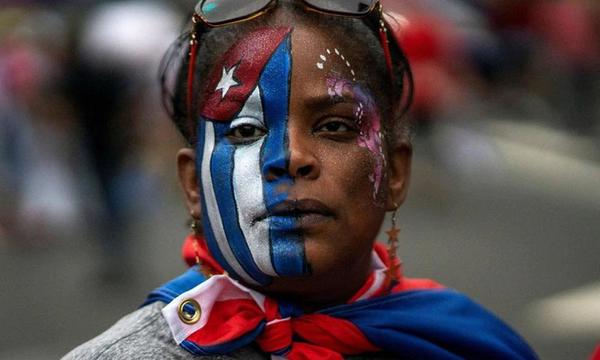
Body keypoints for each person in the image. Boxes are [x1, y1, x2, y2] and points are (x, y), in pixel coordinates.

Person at [63, 1, 538, 359]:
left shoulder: (471, 342)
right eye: (245, 131)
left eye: (335, 126)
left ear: (394, 172)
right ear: (192, 184)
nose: (289, 159)